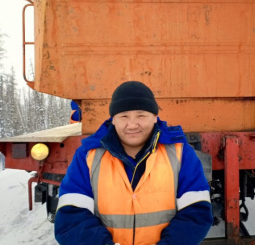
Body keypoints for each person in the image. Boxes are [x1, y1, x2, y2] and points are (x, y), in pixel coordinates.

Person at [54, 81, 213, 245]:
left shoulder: (180, 153)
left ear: (154, 117)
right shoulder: (88, 155)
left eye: (141, 115)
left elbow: (196, 212)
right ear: (113, 119)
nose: (132, 125)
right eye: (124, 116)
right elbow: (71, 217)